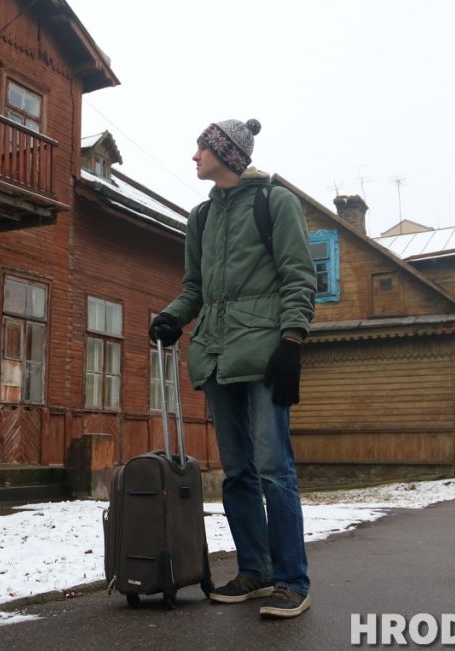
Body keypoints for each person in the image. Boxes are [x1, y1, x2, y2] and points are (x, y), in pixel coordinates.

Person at [149, 118, 316, 619]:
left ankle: (292, 581)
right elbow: (195, 287)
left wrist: (292, 340)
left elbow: (298, 275)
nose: (194, 157)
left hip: (265, 353)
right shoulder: (200, 218)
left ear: (225, 152)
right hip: (216, 356)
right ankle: (256, 572)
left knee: (273, 469)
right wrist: (173, 317)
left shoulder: (274, 202)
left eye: (201, 147)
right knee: (238, 472)